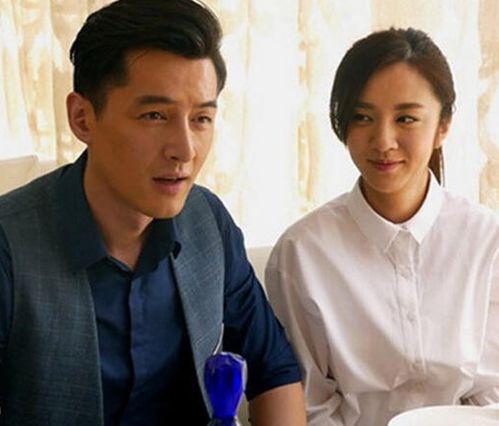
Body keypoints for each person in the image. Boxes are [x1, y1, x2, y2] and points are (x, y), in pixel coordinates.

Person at [0, 1, 307, 425]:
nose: (184, 149)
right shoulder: (10, 246)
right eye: (155, 115)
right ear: (82, 118)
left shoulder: (207, 220)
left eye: (201, 118)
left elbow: (273, 369)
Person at [265, 28, 499, 425]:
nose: (383, 140)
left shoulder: (487, 242)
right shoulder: (303, 252)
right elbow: (309, 406)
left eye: (406, 118)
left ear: (443, 125)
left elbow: (492, 397)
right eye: (362, 117)